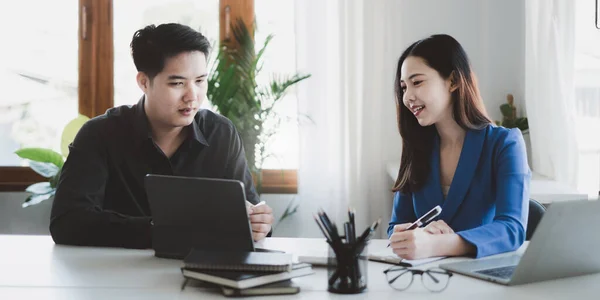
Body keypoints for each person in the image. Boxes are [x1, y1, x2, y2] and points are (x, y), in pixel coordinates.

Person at [49, 23, 274, 249]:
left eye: (199, 81)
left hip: (204, 274)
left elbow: (250, 212)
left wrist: (259, 223)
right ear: (144, 82)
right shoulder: (99, 135)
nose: (192, 96)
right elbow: (68, 222)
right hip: (117, 274)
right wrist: (165, 230)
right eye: (177, 83)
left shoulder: (221, 134)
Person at [387, 34, 530, 259]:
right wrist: (412, 234)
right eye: (403, 87)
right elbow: (396, 225)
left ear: (453, 81)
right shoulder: (417, 146)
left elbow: (512, 228)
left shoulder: (504, 143)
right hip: (427, 280)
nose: (407, 97)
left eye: (417, 82)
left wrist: (442, 244)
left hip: (483, 278)